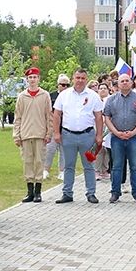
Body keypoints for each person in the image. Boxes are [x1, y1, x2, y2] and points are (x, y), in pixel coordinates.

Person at [52, 69, 104, 204]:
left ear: (86, 80)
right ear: (72, 78)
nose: (80, 80)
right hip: (68, 135)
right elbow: (56, 114)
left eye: (83, 78)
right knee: (68, 166)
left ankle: (91, 193)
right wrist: (56, 133)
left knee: (89, 165)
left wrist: (99, 135)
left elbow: (99, 117)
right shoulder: (64, 95)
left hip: (87, 136)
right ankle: (67, 193)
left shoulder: (93, 96)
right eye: (77, 77)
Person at [103, 73, 136, 204]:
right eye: (122, 81)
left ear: (131, 83)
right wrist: (116, 133)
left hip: (133, 137)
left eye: (127, 81)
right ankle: (115, 193)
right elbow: (107, 118)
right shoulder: (111, 100)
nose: (124, 83)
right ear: (118, 84)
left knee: (135, 166)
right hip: (117, 138)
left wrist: (134, 131)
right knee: (117, 166)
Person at [13, 67, 53, 203]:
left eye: (35, 77)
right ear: (27, 79)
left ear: (38, 78)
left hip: (40, 133)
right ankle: (29, 190)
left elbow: (49, 116)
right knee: (27, 162)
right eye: (30, 77)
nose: (32, 80)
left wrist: (49, 133)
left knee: (39, 161)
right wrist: (16, 135)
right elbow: (17, 117)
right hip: (25, 134)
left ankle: (38, 191)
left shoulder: (44, 95)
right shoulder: (22, 96)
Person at [44, 74, 69, 180]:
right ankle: (45, 170)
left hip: (66, 127)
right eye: (63, 85)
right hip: (53, 127)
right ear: (58, 85)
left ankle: (62, 171)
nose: (65, 87)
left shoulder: (70, 96)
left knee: (63, 150)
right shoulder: (51, 96)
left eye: (67, 85)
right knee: (50, 149)